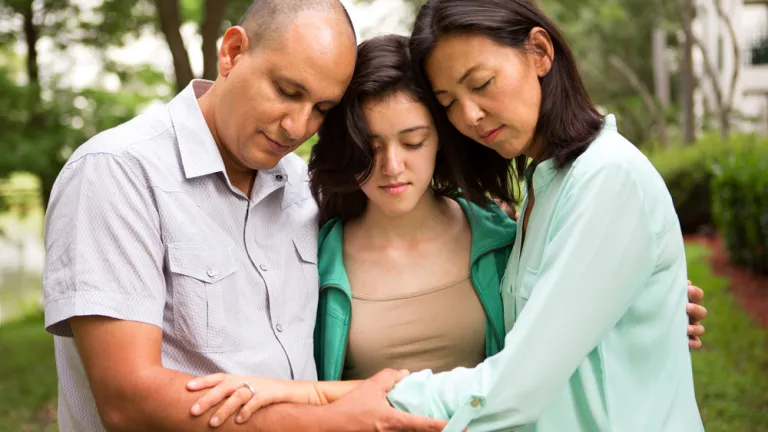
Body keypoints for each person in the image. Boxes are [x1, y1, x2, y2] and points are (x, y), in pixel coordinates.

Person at [183, 33, 708, 430]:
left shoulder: (503, 238)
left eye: (413, 141)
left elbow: (549, 331)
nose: (392, 167)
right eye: (370, 147)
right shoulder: (311, 252)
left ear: (442, 137)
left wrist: (638, 301)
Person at [41, 1, 446, 431]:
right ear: (232, 52)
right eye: (288, 91)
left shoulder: (301, 189)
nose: (297, 127)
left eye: (322, 109)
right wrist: (329, 421)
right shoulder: (117, 171)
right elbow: (128, 400)